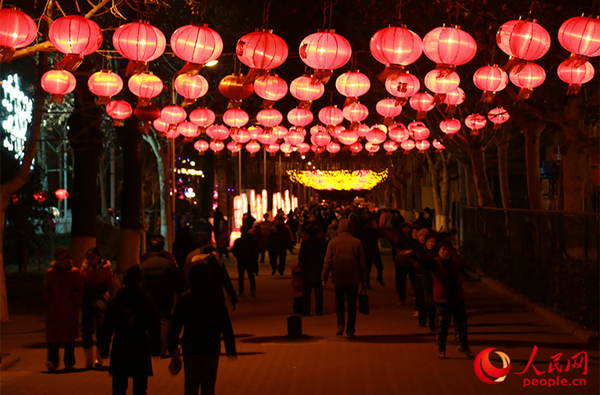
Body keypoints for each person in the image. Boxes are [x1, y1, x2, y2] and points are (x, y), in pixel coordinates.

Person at [169, 263, 237, 395]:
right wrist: (230, 348)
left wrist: (172, 347)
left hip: (191, 346)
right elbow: (225, 325)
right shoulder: (215, 298)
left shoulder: (185, 299)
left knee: (191, 382)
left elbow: (175, 325)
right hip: (211, 346)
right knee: (208, 383)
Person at [99, 266, 161, 395]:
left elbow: (107, 327)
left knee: (119, 387)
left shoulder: (116, 301)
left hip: (120, 344)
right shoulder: (145, 300)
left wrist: (103, 348)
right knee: (140, 387)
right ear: (140, 281)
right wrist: (156, 347)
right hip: (140, 344)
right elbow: (154, 325)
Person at [405, 241, 473, 359]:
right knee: (443, 325)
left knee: (462, 323)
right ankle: (441, 348)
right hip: (442, 298)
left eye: (447, 250)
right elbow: (423, 263)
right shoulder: (435, 262)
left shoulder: (456, 261)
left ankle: (463, 345)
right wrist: (412, 255)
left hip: (457, 296)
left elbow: (466, 266)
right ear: (439, 251)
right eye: (443, 250)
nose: (445, 252)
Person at [322, 219, 367, 339]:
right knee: (352, 304)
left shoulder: (333, 242)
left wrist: (324, 277)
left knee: (339, 302)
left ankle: (340, 323)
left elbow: (328, 261)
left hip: (338, 277)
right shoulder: (357, 242)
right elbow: (362, 263)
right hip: (353, 278)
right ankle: (350, 330)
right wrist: (364, 279)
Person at [140, 237, 183, 358]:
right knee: (164, 321)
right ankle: (163, 350)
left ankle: (151, 349)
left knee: (148, 321)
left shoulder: (144, 264)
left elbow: (139, 281)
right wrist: (178, 297)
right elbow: (177, 282)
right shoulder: (168, 263)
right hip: (165, 295)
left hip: (148, 297)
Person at [43, 247, 84, 372]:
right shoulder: (50, 273)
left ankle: (69, 362)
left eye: (64, 259)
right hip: (54, 309)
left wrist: (73, 301)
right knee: (53, 338)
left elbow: (80, 289)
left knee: (69, 338)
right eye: (59, 259)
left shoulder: (74, 273)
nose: (62, 261)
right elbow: (46, 289)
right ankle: (53, 361)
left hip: (68, 309)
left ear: (68, 259)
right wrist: (50, 301)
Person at [80, 247, 119, 369]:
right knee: (86, 331)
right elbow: (81, 285)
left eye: (92, 257)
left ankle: (99, 359)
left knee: (101, 332)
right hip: (87, 303)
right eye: (88, 257)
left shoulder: (106, 270)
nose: (90, 259)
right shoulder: (84, 270)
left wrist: (103, 300)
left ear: (98, 257)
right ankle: (89, 360)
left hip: (102, 305)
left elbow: (111, 287)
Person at [182, 235, 237, 311]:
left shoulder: (191, 256)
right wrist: (232, 297)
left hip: (196, 293)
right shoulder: (214, 256)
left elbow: (185, 275)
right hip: (214, 293)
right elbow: (224, 277)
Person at [298, 227, 327, 316]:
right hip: (318, 270)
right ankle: (319, 310)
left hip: (307, 271)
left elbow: (302, 257)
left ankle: (306, 310)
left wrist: (301, 267)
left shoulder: (305, 244)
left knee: (306, 293)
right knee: (318, 292)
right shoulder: (322, 244)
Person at [357, 218, 385, 289]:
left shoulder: (371, 231)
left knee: (377, 267)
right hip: (370, 252)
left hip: (372, 252)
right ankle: (368, 283)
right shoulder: (365, 231)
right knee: (369, 269)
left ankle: (375, 279)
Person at [232, 225, 258, 296]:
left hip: (241, 260)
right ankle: (252, 290)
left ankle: (241, 291)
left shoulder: (238, 241)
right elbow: (255, 250)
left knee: (241, 276)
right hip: (249, 259)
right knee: (250, 275)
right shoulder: (252, 240)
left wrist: (238, 256)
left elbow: (234, 251)